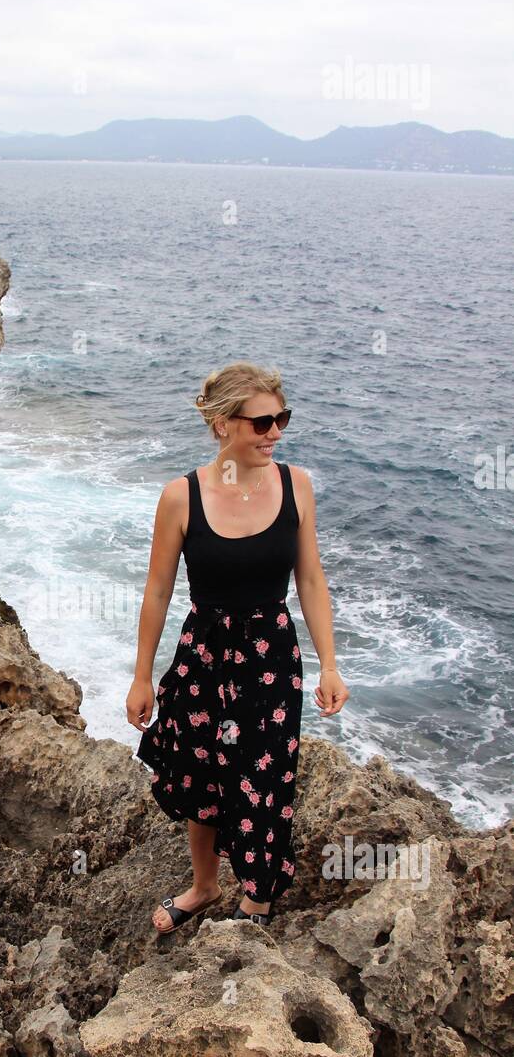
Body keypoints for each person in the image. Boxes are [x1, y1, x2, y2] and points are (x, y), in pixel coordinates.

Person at [127, 361, 349, 933]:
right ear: (224, 424)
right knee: (200, 775)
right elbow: (157, 591)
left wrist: (330, 663)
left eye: (282, 418)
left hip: (271, 662)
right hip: (203, 656)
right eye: (262, 422)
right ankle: (204, 887)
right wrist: (141, 675)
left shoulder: (296, 484)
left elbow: (312, 580)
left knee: (263, 778)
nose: (276, 432)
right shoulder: (182, 496)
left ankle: (255, 904)